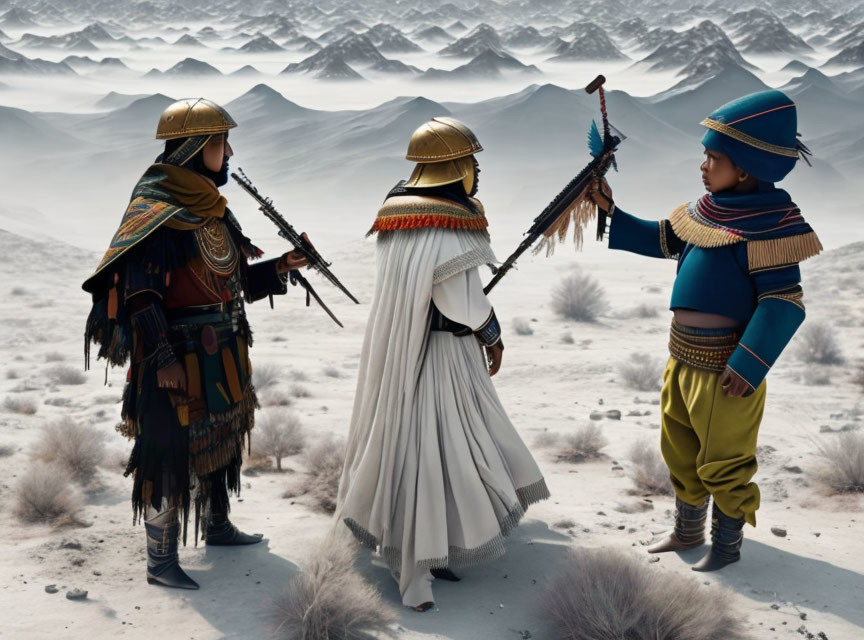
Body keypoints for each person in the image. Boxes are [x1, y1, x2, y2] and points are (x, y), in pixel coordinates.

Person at [82, 98, 310, 589]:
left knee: (223, 441)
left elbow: (236, 282)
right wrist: (163, 358)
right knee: (168, 449)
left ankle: (217, 525)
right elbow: (142, 294)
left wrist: (283, 266)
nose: (228, 152)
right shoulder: (158, 210)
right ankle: (160, 561)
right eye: (218, 143)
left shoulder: (213, 209)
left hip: (224, 351)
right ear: (192, 149)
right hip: (177, 356)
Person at [589, 90, 821, 571]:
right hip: (682, 358)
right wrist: (611, 211)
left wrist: (749, 362)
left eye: (714, 157)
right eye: (704, 155)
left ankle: (727, 546)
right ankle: (688, 531)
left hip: (727, 371)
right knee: (680, 449)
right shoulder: (706, 211)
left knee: (725, 460)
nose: (703, 165)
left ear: (746, 168)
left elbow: (784, 301)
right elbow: (662, 238)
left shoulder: (772, 225)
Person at [335, 117, 550, 610]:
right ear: (454, 166)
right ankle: (415, 572)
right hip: (441, 357)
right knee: (432, 456)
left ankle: (434, 549)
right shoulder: (450, 223)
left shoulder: (396, 210)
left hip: (402, 350)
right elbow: (460, 302)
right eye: (472, 161)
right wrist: (492, 331)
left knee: (435, 451)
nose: (477, 170)